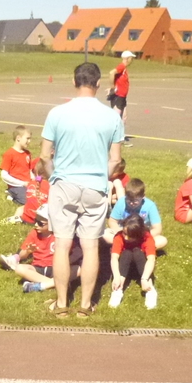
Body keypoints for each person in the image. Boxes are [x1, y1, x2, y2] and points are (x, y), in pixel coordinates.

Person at [39, 61, 124, 318]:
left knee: (62, 244)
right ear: (98, 84)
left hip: (64, 184)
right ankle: (85, 306)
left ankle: (61, 303)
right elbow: (116, 160)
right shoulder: (112, 116)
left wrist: (53, 177)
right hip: (95, 187)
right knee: (90, 247)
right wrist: (101, 177)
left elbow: (44, 156)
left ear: (74, 82)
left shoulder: (57, 113)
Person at [0, 205, 78, 294]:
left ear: (52, 223)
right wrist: (28, 251)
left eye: (40, 223)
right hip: (38, 267)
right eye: (35, 221)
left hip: (56, 267)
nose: (36, 225)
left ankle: (41, 285)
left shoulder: (60, 235)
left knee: (79, 269)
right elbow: (21, 256)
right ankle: (53, 283)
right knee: (19, 268)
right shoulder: (34, 234)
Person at [108, 214, 160, 310]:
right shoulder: (119, 237)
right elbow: (114, 258)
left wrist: (144, 279)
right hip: (124, 264)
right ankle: (118, 288)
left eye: (130, 236)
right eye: (124, 233)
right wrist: (116, 276)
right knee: (127, 253)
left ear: (138, 234)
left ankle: (150, 289)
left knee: (137, 252)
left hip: (141, 265)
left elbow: (151, 259)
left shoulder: (147, 238)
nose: (126, 237)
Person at [104, 178, 167, 251]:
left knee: (162, 240)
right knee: (105, 234)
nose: (131, 203)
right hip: (124, 235)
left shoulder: (150, 206)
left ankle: (124, 248)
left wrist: (141, 236)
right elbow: (112, 221)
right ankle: (138, 249)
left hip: (141, 236)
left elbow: (157, 228)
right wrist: (121, 232)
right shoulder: (121, 202)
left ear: (143, 196)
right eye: (128, 200)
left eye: (135, 201)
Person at [107, 50, 135, 144]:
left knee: (124, 117)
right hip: (118, 96)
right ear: (127, 58)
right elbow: (112, 73)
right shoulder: (122, 66)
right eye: (131, 58)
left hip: (122, 96)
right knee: (117, 118)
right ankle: (114, 139)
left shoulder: (124, 68)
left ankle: (121, 138)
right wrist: (112, 87)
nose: (132, 60)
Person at [0, 125, 32, 206]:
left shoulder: (27, 153)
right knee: (27, 202)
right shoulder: (9, 154)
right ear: (18, 138)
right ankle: (11, 194)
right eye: (27, 138)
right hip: (16, 186)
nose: (29, 141)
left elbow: (30, 171)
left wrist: (35, 180)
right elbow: (4, 175)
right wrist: (22, 183)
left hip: (28, 184)